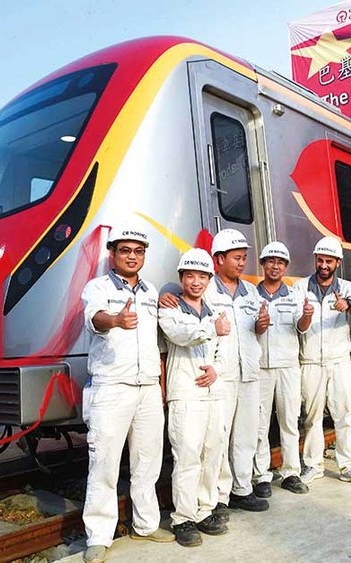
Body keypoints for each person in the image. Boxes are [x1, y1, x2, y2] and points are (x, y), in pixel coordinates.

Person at [80, 224, 174, 563]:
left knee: (147, 462)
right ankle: (98, 536)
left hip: (147, 387)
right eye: (125, 250)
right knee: (103, 463)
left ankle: (146, 525)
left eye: (138, 251)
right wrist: (116, 320)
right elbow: (95, 319)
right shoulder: (97, 287)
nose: (132, 256)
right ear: (112, 254)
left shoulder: (150, 292)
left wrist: (160, 386)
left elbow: (158, 344)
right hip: (111, 387)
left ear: (144, 255)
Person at [160, 230, 266, 514]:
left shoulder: (251, 292)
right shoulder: (206, 289)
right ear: (218, 260)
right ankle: (219, 497)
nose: (242, 262)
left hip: (246, 370)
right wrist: (164, 295)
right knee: (216, 441)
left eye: (244, 257)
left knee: (244, 435)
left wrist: (261, 326)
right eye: (236, 257)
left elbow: (249, 328)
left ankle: (242, 489)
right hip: (218, 377)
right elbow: (182, 296)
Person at [158, 248, 232, 547]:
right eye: (190, 276)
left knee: (212, 453)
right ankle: (183, 518)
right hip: (185, 393)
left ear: (209, 279)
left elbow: (225, 353)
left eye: (202, 276)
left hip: (213, 393)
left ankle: (205, 510)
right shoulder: (169, 310)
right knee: (187, 457)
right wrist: (212, 328)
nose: (196, 282)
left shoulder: (215, 313)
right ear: (181, 278)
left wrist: (216, 370)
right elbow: (180, 334)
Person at [294, 236, 351, 487]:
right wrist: (306, 316)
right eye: (320, 260)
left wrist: (347, 304)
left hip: (338, 360)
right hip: (310, 361)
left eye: (329, 261)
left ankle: (350, 465)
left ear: (338, 262)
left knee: (343, 414)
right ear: (315, 260)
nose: (324, 265)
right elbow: (299, 327)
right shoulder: (300, 287)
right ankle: (313, 466)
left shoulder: (346, 287)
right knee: (312, 417)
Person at [252, 242, 312, 497]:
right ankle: (261, 476)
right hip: (261, 368)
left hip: (288, 366)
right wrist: (258, 325)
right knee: (260, 425)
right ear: (263, 264)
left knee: (289, 421)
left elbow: (302, 327)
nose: (275, 266)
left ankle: (291, 473)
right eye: (270, 261)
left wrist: (307, 315)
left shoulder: (295, 295)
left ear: (285, 267)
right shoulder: (250, 295)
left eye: (280, 262)